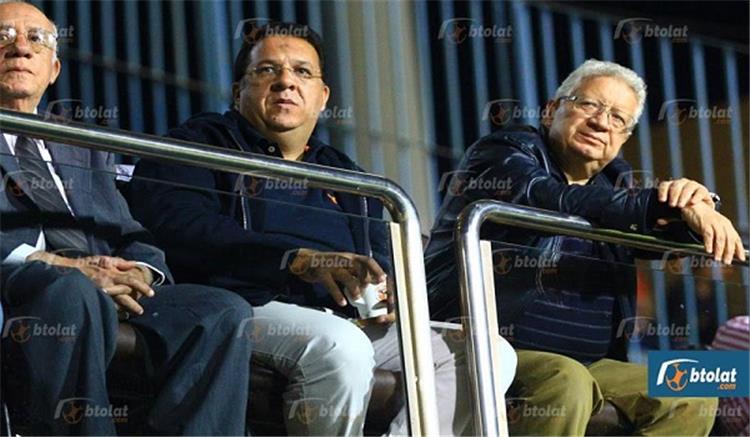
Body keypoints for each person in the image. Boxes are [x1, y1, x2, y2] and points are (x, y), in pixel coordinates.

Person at [128, 21, 516, 436]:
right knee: (341, 347)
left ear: (323, 96)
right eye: (267, 70)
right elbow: (179, 226)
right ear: (239, 90)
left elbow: (379, 250)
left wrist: (388, 290)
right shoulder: (202, 143)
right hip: (247, 302)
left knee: (488, 353)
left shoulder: (343, 172)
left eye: (302, 72)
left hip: (346, 316)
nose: (285, 82)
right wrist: (294, 260)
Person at [424, 59, 744, 435]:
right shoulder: (503, 152)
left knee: (697, 387)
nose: (601, 122)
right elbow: (546, 196)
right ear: (550, 110)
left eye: (617, 118)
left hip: (595, 362)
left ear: (624, 138)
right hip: (488, 348)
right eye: (589, 104)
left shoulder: (618, 183)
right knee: (567, 380)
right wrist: (657, 204)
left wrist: (694, 205)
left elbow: (663, 236)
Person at [0, 2, 253, 434]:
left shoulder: (81, 143)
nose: (21, 48)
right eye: (3, 36)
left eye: (36, 39)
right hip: (23, 278)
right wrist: (67, 267)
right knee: (73, 290)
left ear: (54, 69)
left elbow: (130, 232)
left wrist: (139, 271)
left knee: (221, 311)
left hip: (101, 284)